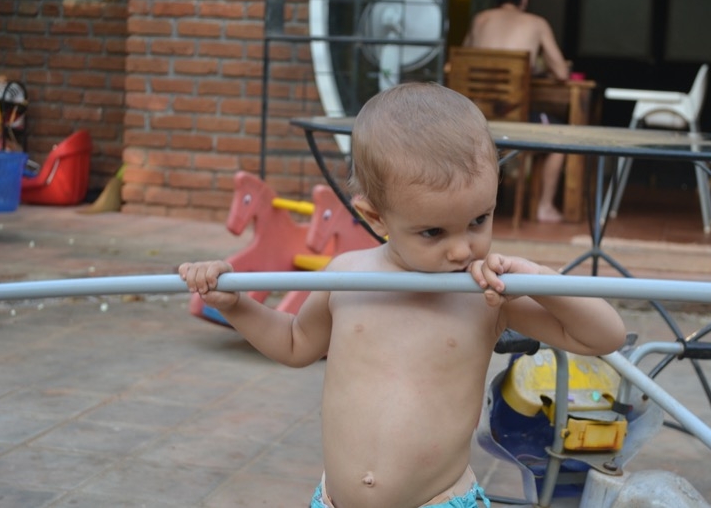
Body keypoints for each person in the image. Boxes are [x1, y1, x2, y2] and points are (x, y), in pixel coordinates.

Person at [179, 82, 626, 508]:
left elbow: (603, 337)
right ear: (376, 218)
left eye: (479, 220)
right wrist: (235, 305)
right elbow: (296, 343)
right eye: (433, 232)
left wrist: (538, 278)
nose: (462, 249)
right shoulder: (347, 276)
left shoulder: (487, 294)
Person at [463, 0, 570, 223]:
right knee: (562, 137)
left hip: (478, 119)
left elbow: (464, 58)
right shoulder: (537, 23)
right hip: (516, 118)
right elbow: (562, 73)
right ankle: (544, 207)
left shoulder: (480, 20)